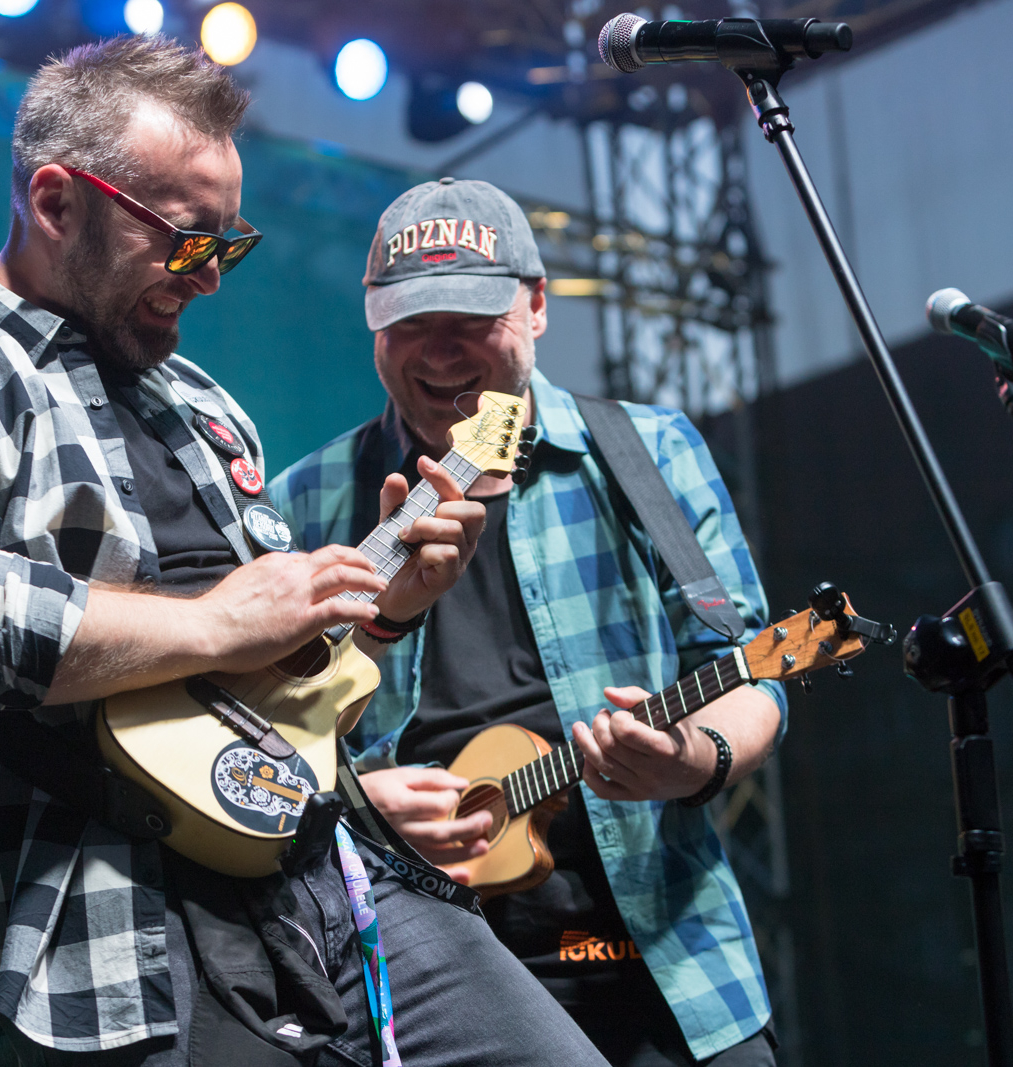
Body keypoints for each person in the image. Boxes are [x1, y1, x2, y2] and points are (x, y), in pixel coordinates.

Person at [0, 37, 615, 1067]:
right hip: (101, 935)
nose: (210, 280)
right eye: (188, 243)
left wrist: (385, 608)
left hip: (333, 880)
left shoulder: (204, 408)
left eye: (228, 247)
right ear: (56, 203)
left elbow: (264, 684)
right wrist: (217, 619)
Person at [271, 178, 786, 1067]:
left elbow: (748, 665)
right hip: (426, 978)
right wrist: (354, 810)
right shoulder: (304, 499)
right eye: (410, 321)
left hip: (670, 954)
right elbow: (259, 742)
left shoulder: (649, 453)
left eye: (471, 318)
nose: (439, 352)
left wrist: (692, 759)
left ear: (538, 305)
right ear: (371, 322)